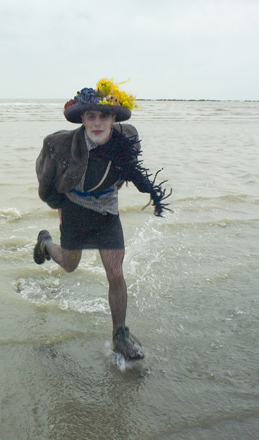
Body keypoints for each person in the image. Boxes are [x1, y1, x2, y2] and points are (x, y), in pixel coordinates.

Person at [33, 79, 171, 361]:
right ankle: (46, 243)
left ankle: (120, 335)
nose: (97, 123)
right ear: (82, 118)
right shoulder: (58, 144)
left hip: (107, 211)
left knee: (116, 274)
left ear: (113, 118)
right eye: (91, 116)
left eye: (104, 116)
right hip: (73, 208)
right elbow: (45, 185)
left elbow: (128, 172)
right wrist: (60, 207)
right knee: (70, 265)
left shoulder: (128, 137)